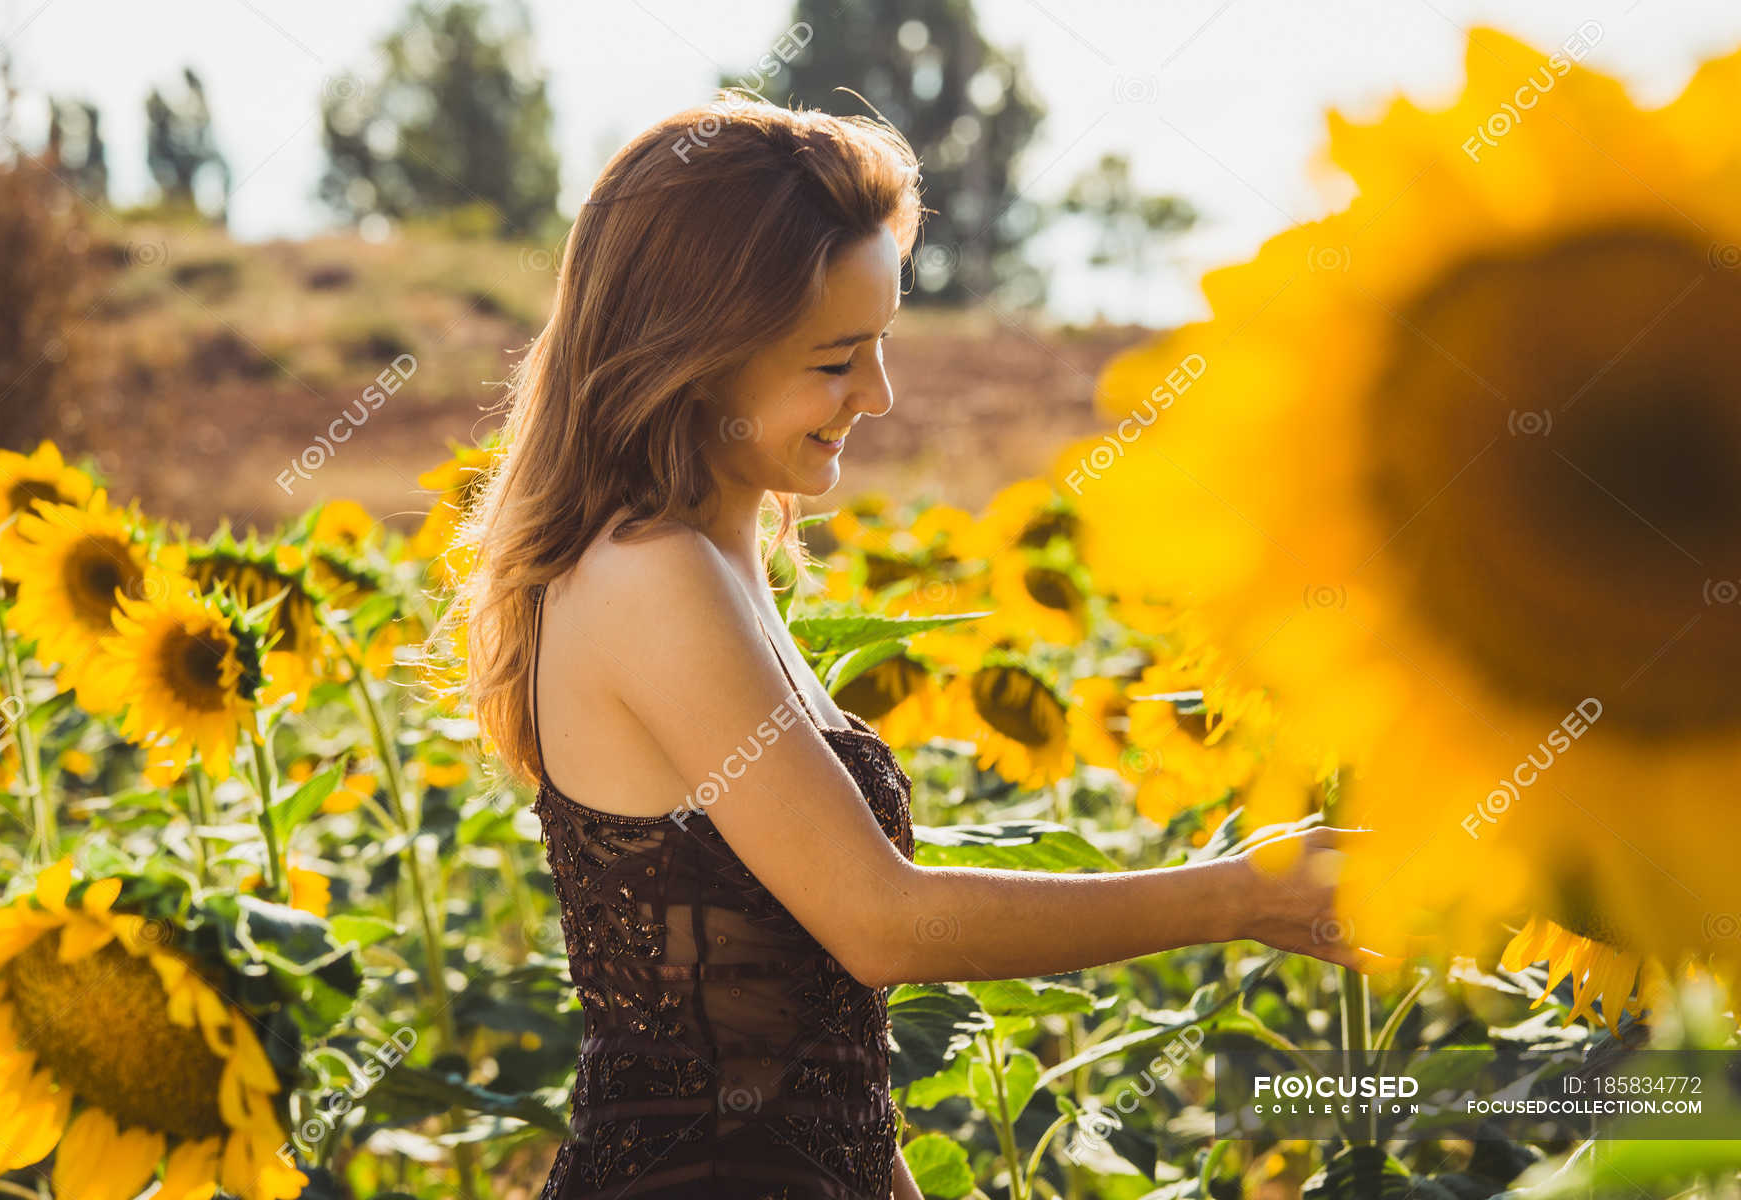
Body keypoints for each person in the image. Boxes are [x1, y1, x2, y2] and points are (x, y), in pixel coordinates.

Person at [447, 93, 1387, 1200]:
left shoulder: (718, 552)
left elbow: (812, 1018)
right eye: (837, 359)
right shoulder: (650, 572)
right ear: (695, 356)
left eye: (881, 346)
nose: (878, 396)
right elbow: (878, 926)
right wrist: (1240, 896)